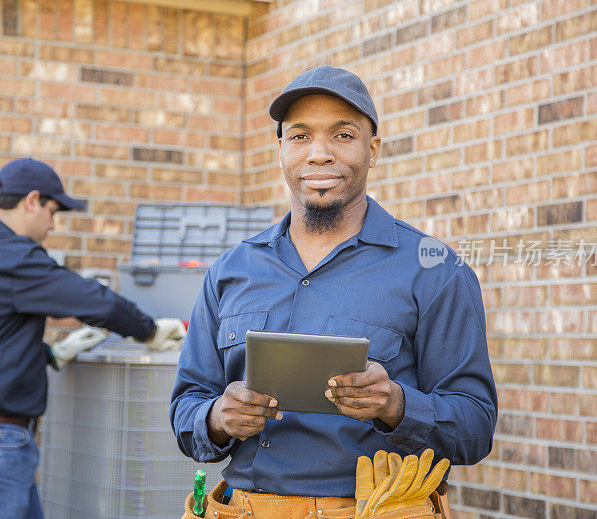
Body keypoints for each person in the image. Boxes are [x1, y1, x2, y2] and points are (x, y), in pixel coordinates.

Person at [170, 66, 497, 518]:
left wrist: (397, 404)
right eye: (300, 136)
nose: (319, 154)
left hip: (370, 510)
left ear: (373, 149)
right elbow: (186, 407)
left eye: (343, 135)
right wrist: (217, 420)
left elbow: (475, 427)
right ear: (281, 148)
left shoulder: (436, 271)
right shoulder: (231, 270)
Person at [0, 157, 186, 518]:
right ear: (32, 201)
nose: (52, 224)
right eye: (52, 211)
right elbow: (93, 301)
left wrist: (49, 353)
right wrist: (152, 331)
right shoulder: (12, 256)